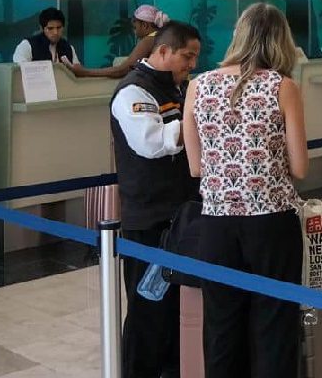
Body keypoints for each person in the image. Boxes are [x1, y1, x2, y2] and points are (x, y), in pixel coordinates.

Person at [182, 4, 309, 378]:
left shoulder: (198, 86)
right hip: (271, 224)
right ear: (281, 40)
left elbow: (195, 167)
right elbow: (300, 168)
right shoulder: (283, 87)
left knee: (221, 327)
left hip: (217, 223)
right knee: (274, 324)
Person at [109, 21, 201, 378]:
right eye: (186, 56)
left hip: (183, 216)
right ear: (162, 51)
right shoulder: (133, 92)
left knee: (177, 308)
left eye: (195, 57)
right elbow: (151, 142)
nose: (191, 64)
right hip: (148, 222)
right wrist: (196, 117)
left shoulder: (180, 89)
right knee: (148, 310)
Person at [71, 5, 170, 79]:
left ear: (145, 25)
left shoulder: (148, 40)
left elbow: (122, 70)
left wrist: (84, 72)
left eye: (135, 26)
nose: (134, 31)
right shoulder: (164, 36)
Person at [13, 6, 81, 66]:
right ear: (42, 29)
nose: (55, 32)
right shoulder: (27, 45)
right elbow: (19, 70)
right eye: (50, 28)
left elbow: (77, 73)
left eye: (58, 28)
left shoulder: (68, 48)